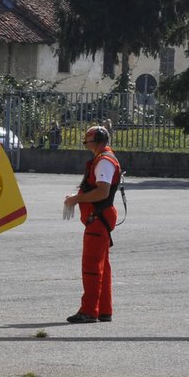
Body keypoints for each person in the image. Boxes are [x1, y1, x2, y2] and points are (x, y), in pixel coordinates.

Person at [62, 124, 121, 323]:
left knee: (92, 267)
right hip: (100, 217)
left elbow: (102, 192)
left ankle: (89, 311)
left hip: (98, 218)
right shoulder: (103, 159)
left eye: (87, 139)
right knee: (102, 266)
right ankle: (104, 310)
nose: (85, 142)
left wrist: (75, 200)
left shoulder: (104, 161)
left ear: (96, 141)